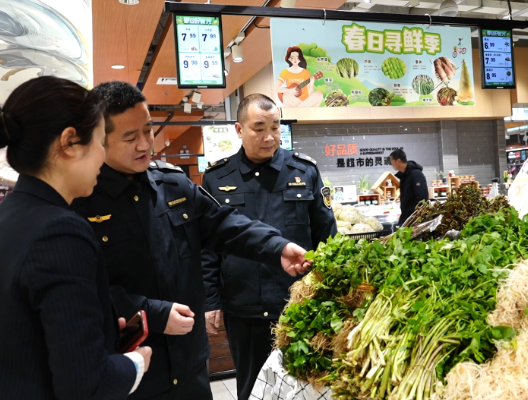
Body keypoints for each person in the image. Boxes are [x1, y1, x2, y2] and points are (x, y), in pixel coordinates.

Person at [72, 81, 312, 400]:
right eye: (130, 137)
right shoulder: (82, 201)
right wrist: (154, 315)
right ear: (100, 138)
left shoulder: (173, 186)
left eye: (148, 130)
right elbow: (82, 290)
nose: (145, 144)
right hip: (130, 369)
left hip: (190, 366)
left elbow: (224, 224)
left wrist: (276, 246)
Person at [0, 76, 151, 399]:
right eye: (99, 141)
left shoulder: (11, 213)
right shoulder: (60, 231)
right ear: (69, 142)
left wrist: (104, 333)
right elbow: (86, 384)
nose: (102, 155)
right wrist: (135, 362)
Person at [201, 93, 337, 400]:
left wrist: (328, 294)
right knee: (251, 387)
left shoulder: (304, 172)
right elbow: (207, 248)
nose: (269, 136)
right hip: (243, 305)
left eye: (275, 127)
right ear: (239, 129)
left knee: (305, 384)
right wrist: (211, 301)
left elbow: (327, 237)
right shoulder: (217, 177)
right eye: (259, 127)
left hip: (297, 305)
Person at [390, 149, 428, 226]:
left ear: (398, 161)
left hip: (415, 219)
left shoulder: (416, 174)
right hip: (406, 217)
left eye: (392, 161)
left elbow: (422, 197)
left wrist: (418, 217)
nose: (391, 164)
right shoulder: (404, 176)